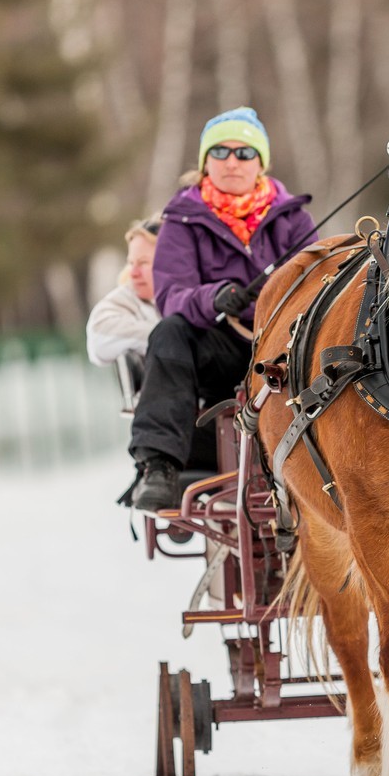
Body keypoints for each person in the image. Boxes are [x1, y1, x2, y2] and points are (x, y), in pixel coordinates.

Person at [129, 107, 318, 512]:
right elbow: (172, 295)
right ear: (205, 163)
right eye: (221, 152)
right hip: (222, 351)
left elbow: (317, 286)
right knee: (170, 333)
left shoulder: (295, 220)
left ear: (260, 163)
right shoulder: (182, 219)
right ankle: (158, 466)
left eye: (244, 153)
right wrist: (213, 297)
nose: (233, 161)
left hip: (286, 353)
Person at [86, 215, 162, 367]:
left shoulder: (199, 296)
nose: (133, 273)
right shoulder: (126, 300)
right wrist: (171, 337)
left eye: (143, 263)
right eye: (131, 263)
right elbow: (99, 335)